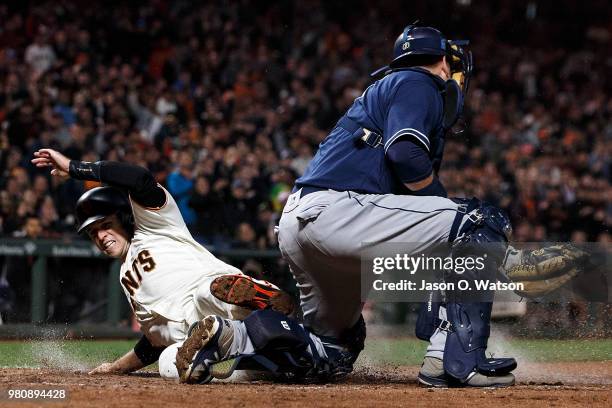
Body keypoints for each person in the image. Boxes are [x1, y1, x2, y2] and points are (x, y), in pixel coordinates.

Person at [275, 24, 585, 387]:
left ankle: (236, 339)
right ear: (442, 61)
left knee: (331, 349)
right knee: (477, 221)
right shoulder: (417, 81)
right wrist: (463, 228)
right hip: (337, 213)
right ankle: (454, 360)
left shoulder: (388, 89)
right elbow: (405, 153)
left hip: (303, 225)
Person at [31, 148, 295, 377]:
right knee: (169, 362)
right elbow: (154, 341)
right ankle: (251, 363)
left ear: (123, 218)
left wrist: (75, 168)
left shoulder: (154, 226)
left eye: (105, 225)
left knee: (207, 293)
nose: (101, 236)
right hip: (211, 341)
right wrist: (116, 367)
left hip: (224, 300)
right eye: (93, 232)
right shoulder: (126, 277)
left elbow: (139, 178)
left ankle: (267, 299)